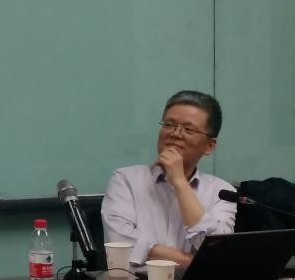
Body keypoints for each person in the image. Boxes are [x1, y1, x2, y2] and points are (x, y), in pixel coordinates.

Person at [101, 89, 236, 270]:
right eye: (169, 124)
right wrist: (192, 262)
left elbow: (218, 251)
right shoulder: (125, 180)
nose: (175, 134)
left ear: (209, 146)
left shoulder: (222, 192)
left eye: (188, 129)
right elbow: (121, 244)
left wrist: (180, 183)